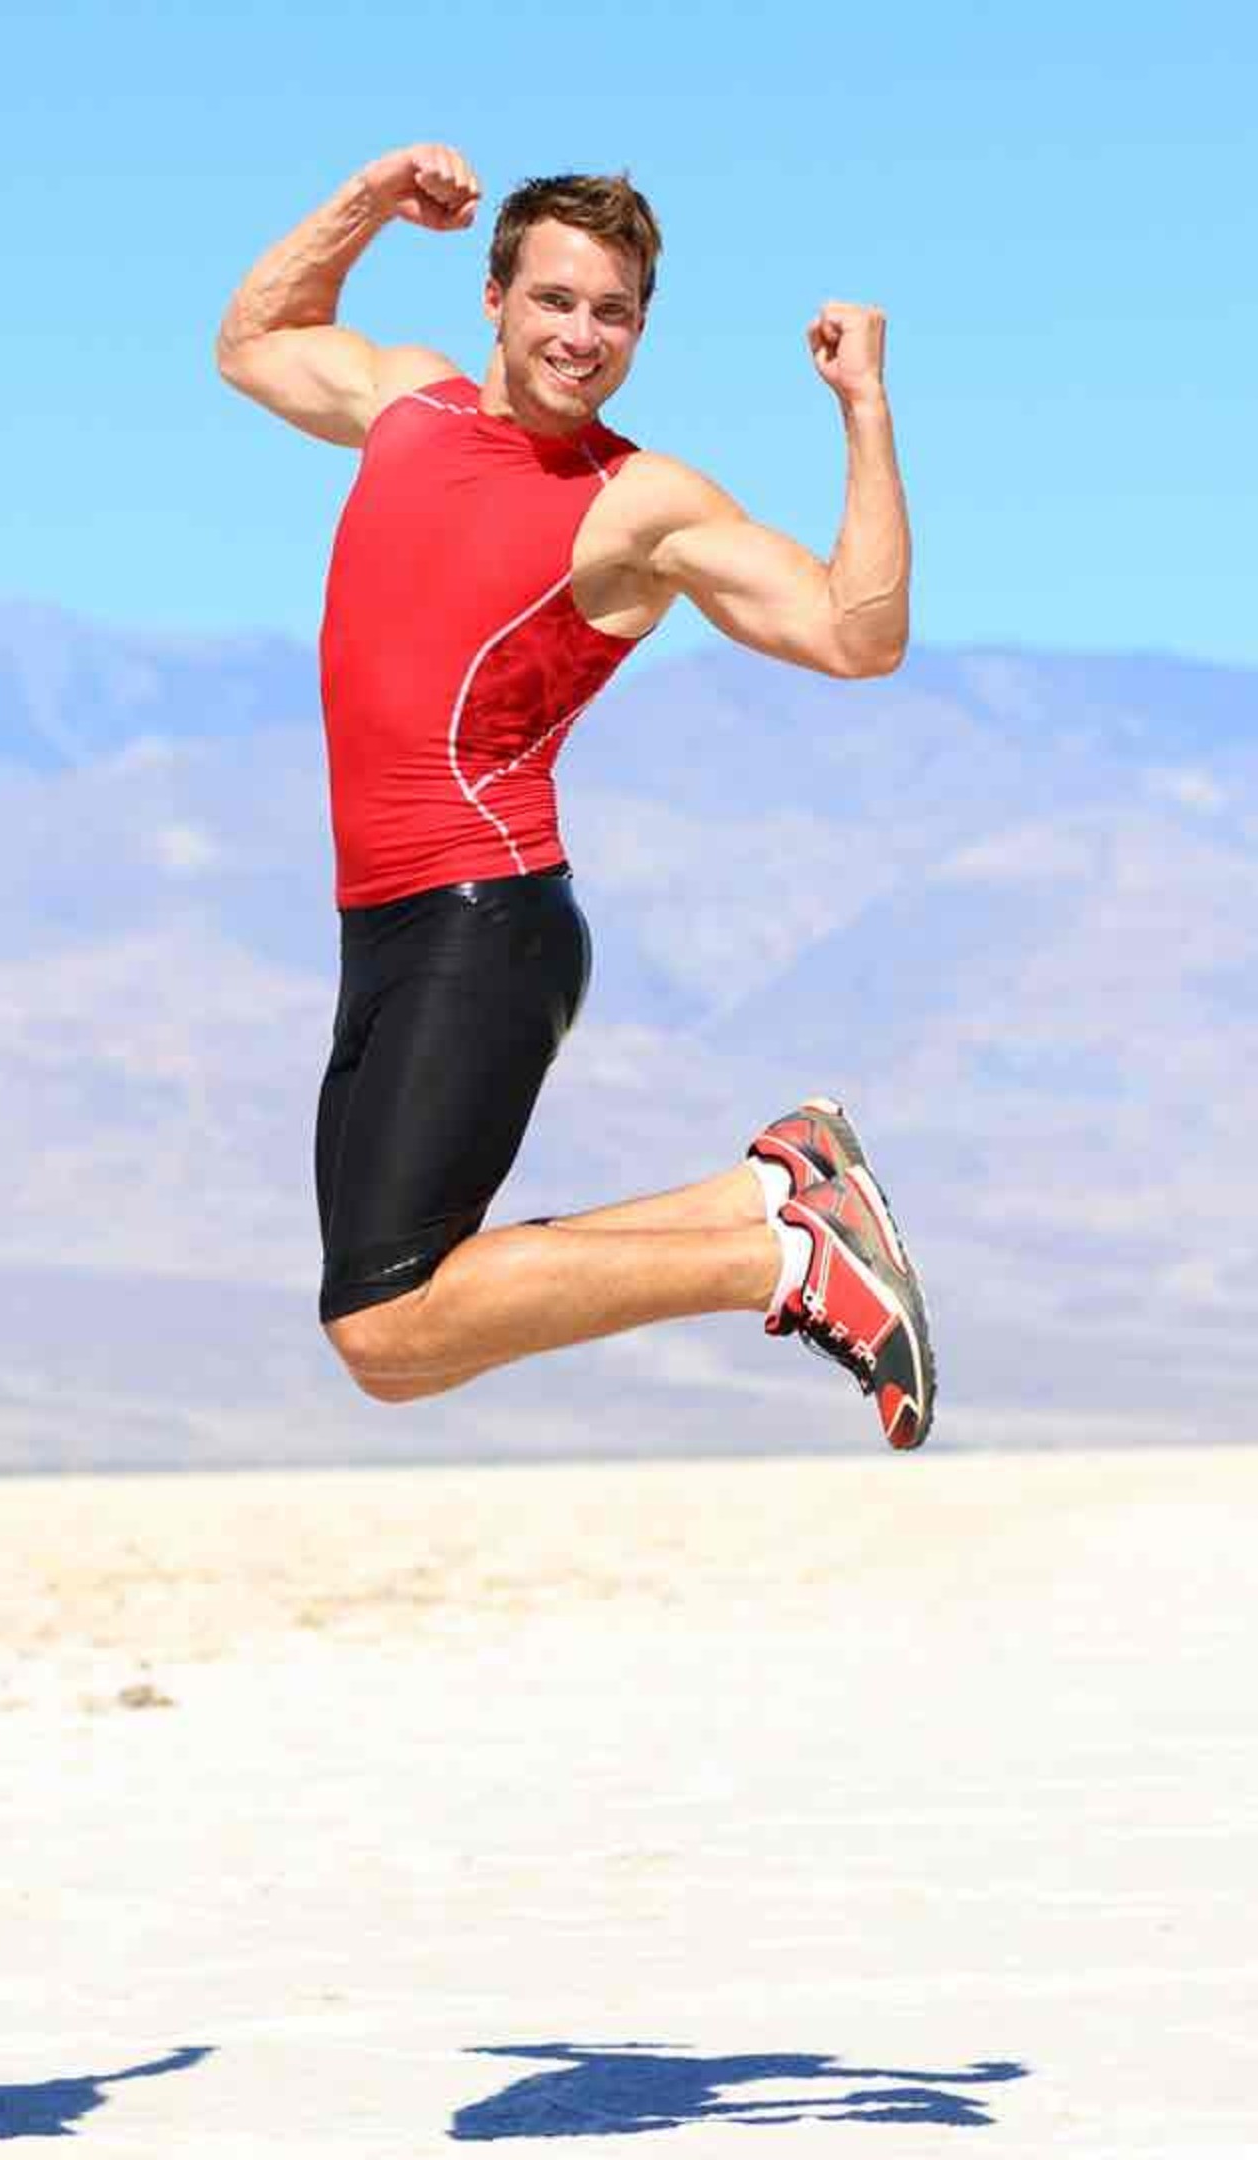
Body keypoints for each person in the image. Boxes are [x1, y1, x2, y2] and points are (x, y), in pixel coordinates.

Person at [215, 145, 937, 1448]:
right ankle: (775, 1194)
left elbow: (856, 632)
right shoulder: (407, 403)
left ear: (641, 332)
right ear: (492, 300)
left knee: (386, 1320)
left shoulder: (637, 502)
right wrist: (373, 199)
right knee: (394, 1334)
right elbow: (256, 338)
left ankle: (779, 1261)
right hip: (384, 926)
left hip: (484, 918)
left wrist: (865, 407)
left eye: (613, 313)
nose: (582, 336)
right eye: (554, 300)